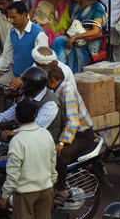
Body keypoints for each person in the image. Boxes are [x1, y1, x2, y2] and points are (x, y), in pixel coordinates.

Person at [0, 100, 57, 219]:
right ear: (35, 115)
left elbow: (13, 173)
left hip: (25, 194)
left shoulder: (17, 140)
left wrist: (4, 196)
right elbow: (52, 160)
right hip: (45, 189)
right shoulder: (45, 133)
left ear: (17, 117)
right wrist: (52, 182)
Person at [46, 65, 95, 206]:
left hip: (82, 135)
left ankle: (61, 191)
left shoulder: (67, 92)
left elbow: (73, 123)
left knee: (58, 155)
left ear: (54, 80)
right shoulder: (55, 90)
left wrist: (61, 143)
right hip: (70, 132)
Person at [0, 2, 49, 86]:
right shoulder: (12, 32)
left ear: (24, 15)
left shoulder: (39, 34)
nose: (11, 21)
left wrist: (23, 78)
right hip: (13, 74)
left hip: (32, 78)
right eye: (9, 18)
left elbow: (40, 63)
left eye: (14, 17)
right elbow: (6, 58)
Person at [0, 67, 62, 139]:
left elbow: (37, 127)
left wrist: (14, 132)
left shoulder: (50, 104)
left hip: (42, 141)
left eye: (26, 83)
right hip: (26, 134)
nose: (23, 85)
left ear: (35, 85)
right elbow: (17, 108)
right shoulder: (30, 93)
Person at [51, 0, 106, 73]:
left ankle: (67, 73)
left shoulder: (97, 8)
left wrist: (76, 37)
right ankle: (59, 72)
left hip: (88, 42)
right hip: (72, 37)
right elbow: (70, 24)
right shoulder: (76, 5)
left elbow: (96, 30)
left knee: (63, 43)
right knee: (58, 41)